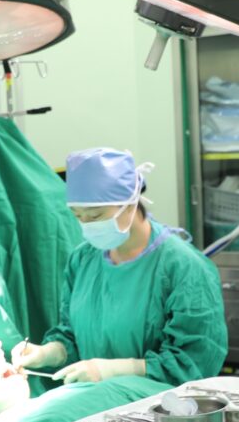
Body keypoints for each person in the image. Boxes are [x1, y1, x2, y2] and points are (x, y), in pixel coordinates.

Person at [12, 147, 228, 386]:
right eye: (77, 216)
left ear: (130, 203)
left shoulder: (184, 267)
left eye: (95, 216)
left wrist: (115, 370)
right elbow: (71, 335)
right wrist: (47, 353)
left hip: (159, 402)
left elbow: (194, 361)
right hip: (96, 398)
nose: (86, 224)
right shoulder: (82, 260)